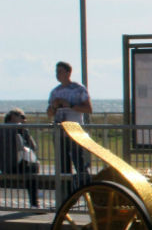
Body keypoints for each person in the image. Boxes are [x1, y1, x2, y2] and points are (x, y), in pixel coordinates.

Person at [46, 61, 93, 194]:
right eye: (56, 72)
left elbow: (89, 109)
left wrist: (70, 105)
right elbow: (49, 113)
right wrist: (54, 106)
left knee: (80, 164)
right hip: (60, 134)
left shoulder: (78, 89)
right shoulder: (55, 92)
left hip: (75, 133)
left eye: (60, 71)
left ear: (68, 72)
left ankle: (88, 191)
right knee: (63, 167)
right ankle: (66, 195)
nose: (57, 74)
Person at [2, 109, 41, 207]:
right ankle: (34, 204)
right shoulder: (10, 129)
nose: (23, 119)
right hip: (13, 165)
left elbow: (33, 147)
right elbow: (34, 147)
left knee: (32, 170)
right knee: (33, 170)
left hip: (8, 166)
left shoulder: (5, 128)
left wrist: (24, 131)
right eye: (21, 116)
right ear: (12, 117)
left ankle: (34, 203)